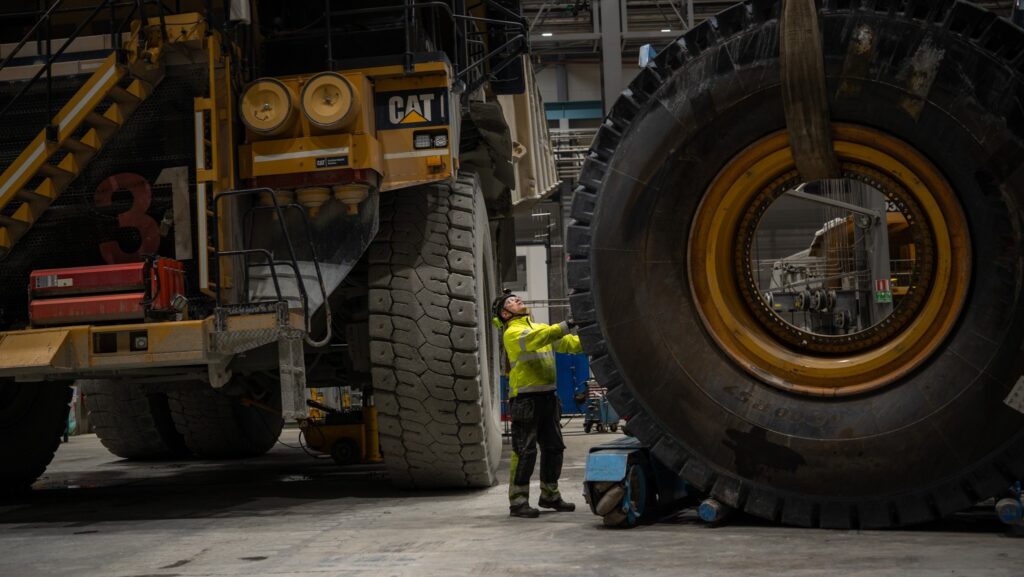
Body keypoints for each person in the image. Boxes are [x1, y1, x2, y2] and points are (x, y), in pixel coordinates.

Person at [492, 289, 582, 518]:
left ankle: (549, 495)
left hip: (548, 397)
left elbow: (569, 344)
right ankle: (518, 501)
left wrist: (595, 337)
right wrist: (567, 323)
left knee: (554, 448)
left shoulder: (538, 327)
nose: (517, 299)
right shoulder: (513, 333)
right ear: (505, 314)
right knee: (525, 451)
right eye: (511, 301)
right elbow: (537, 339)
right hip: (525, 400)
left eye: (516, 298)